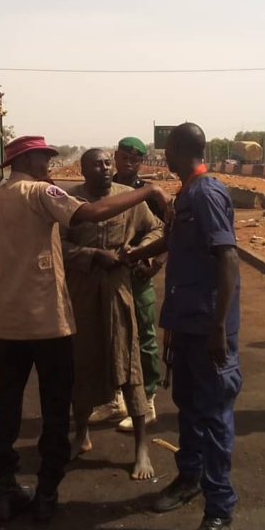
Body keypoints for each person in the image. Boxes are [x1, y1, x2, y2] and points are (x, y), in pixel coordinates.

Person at [0, 135, 170, 523]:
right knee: (55, 408)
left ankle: (4, 488)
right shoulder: (41, 192)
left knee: (7, 406)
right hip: (50, 320)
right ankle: (47, 495)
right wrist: (147, 190)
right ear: (30, 160)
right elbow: (92, 214)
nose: (49, 162)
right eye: (45, 157)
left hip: (11, 323)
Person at [126, 122, 241, 530]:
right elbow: (174, 242)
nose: (163, 156)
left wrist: (218, 327)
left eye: (166, 149)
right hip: (187, 322)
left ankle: (219, 512)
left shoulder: (206, 193)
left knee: (213, 419)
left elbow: (227, 258)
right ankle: (189, 479)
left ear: (177, 149)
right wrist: (134, 254)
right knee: (189, 408)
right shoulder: (186, 194)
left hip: (209, 327)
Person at [61, 148, 162, 480]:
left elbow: (157, 228)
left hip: (119, 288)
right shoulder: (69, 200)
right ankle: (81, 434)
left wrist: (139, 252)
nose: (104, 168)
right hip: (83, 290)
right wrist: (91, 255)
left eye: (107, 163)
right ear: (83, 170)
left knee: (128, 358)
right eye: (96, 164)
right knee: (81, 361)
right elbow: (56, 243)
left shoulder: (130, 198)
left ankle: (141, 448)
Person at [111, 135, 165, 433]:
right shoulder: (104, 190)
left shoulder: (150, 194)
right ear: (115, 157)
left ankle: (148, 400)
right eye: (125, 157)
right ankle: (115, 397)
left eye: (136, 159)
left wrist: (155, 264)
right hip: (110, 274)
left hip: (139, 274)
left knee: (144, 336)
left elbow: (167, 231)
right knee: (113, 333)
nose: (130, 163)